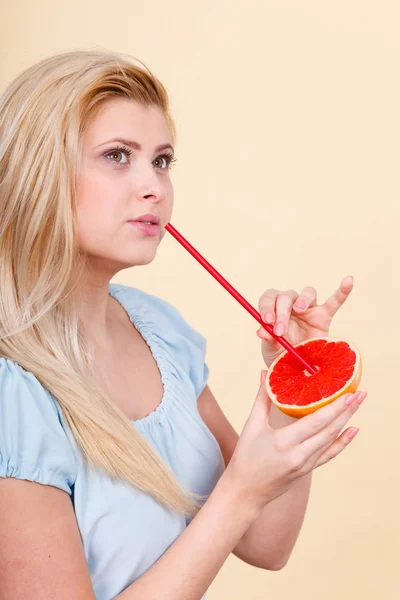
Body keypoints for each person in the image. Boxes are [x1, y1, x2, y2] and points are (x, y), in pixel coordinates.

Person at [0, 49, 367, 600]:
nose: (155, 187)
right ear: (38, 172)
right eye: (118, 155)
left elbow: (267, 545)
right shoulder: (12, 393)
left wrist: (298, 385)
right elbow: (239, 501)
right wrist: (239, 492)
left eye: (162, 160)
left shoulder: (158, 330)